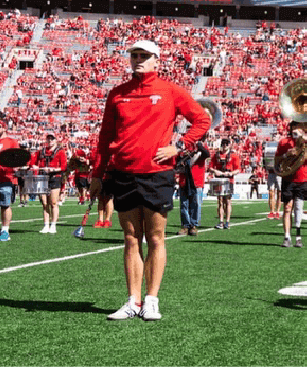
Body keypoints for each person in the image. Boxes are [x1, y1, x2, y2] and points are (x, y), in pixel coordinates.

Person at [93, 41, 211, 321]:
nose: (138, 60)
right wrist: (97, 173)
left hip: (157, 174)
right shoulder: (117, 94)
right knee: (131, 238)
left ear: (157, 61)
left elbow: (201, 120)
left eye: (144, 56)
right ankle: (133, 301)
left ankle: (151, 300)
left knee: (156, 237)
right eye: (134, 55)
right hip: (123, 173)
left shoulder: (170, 90)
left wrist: (180, 145)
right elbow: (104, 136)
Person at [276, 120, 307, 248]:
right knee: (287, 208)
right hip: (288, 179)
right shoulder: (284, 142)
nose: (297, 127)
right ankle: (287, 236)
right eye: (295, 125)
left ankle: (298, 236)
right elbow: (276, 160)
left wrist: (303, 136)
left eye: (300, 125)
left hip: (303, 178)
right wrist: (286, 155)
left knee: (299, 208)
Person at [28, 134, 67, 234]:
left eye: (52, 139)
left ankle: (53, 225)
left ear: (55, 140)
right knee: (44, 203)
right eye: (48, 139)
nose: (50, 141)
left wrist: (53, 169)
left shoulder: (61, 151)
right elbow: (32, 162)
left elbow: (63, 167)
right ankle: (46, 224)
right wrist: (34, 166)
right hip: (42, 177)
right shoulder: (41, 151)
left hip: (55, 177)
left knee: (53, 202)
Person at [176, 142, 208, 236]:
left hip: (196, 180)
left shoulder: (201, 147)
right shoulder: (182, 147)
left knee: (196, 204)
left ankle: (193, 225)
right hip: (184, 180)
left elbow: (206, 154)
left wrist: (198, 146)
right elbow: (177, 162)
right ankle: (185, 226)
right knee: (184, 204)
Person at [209, 138, 240, 229]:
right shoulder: (216, 155)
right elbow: (210, 167)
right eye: (223, 144)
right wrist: (215, 171)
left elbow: (238, 169)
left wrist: (230, 173)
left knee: (228, 201)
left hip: (228, 180)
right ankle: (221, 221)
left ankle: (227, 221)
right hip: (219, 179)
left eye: (226, 144)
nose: (225, 145)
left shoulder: (234, 155)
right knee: (220, 201)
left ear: (229, 145)